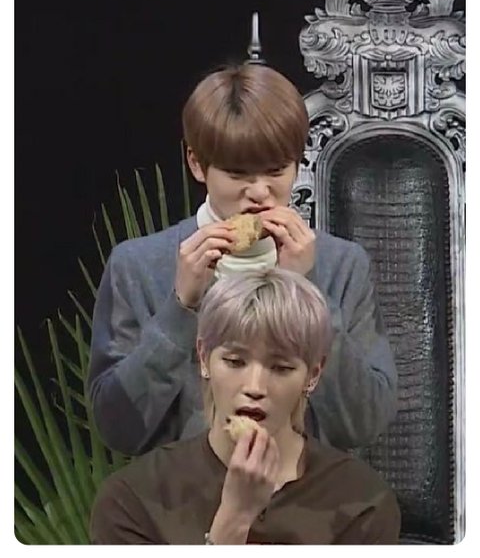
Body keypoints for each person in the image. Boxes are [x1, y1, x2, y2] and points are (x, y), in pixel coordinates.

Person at [87, 61, 397, 455]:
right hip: (182, 491)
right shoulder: (138, 266)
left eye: (276, 171)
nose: (260, 192)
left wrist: (310, 291)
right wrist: (179, 309)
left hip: (306, 490)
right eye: (237, 174)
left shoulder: (342, 266)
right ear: (197, 163)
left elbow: (366, 422)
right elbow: (117, 429)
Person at [90, 269, 401, 544]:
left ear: (313, 374)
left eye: (281, 368)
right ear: (204, 357)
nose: (255, 387)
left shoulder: (360, 502)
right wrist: (234, 520)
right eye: (235, 362)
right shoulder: (134, 500)